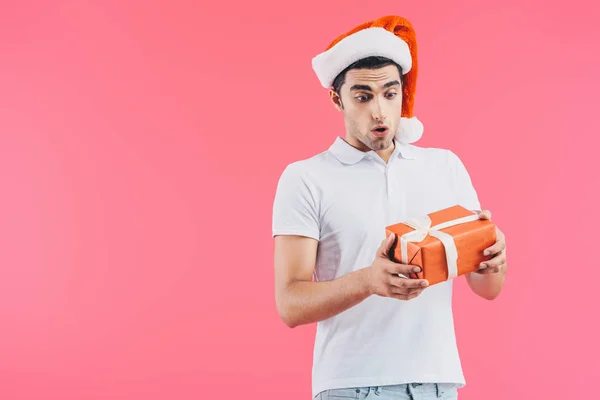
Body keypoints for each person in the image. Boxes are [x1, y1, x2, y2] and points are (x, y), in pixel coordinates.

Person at [271, 15, 507, 400]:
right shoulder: (305, 178)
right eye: (363, 96)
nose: (379, 111)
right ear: (337, 98)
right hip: (351, 386)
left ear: (402, 93)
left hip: (437, 383)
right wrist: (369, 280)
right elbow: (290, 304)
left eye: (390, 94)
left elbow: (487, 287)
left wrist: (494, 260)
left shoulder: (445, 167)